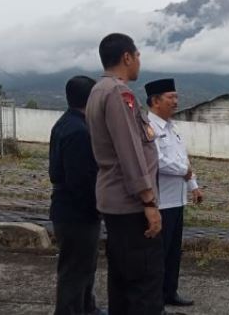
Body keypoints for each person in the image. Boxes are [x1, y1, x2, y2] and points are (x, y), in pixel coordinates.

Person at [85, 33, 164, 315]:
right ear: (127, 57)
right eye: (138, 55)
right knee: (144, 284)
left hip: (114, 199)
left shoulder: (98, 90)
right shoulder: (120, 93)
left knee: (121, 280)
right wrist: (148, 202)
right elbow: (130, 150)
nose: (140, 61)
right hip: (131, 203)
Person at [49, 75, 105, 315]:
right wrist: (97, 209)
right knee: (74, 270)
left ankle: (87, 308)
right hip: (77, 214)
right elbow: (81, 181)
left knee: (84, 267)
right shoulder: (79, 131)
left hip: (68, 210)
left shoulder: (64, 123)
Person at [145, 78, 203, 308]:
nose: (176, 101)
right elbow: (156, 161)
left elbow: (183, 159)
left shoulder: (172, 128)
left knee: (172, 253)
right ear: (155, 101)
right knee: (157, 255)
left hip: (177, 201)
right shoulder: (148, 128)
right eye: (171, 97)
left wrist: (194, 186)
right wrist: (185, 172)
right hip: (159, 203)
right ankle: (154, 299)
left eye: (176, 97)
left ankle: (170, 292)